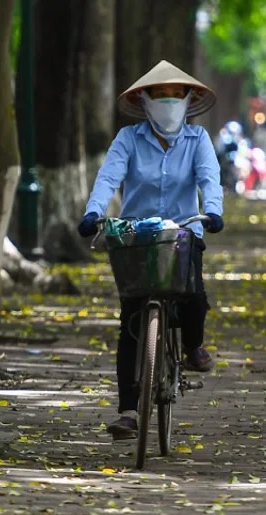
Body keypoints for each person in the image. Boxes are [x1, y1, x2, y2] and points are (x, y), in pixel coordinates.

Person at [77, 60, 224, 442]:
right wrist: (93, 211)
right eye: (161, 95)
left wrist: (213, 212)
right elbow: (109, 176)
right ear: (145, 99)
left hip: (183, 233)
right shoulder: (128, 139)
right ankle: (128, 411)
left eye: (177, 95)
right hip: (135, 237)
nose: (169, 102)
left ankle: (192, 346)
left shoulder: (198, 140)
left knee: (194, 297)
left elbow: (210, 179)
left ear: (188, 100)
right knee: (131, 322)